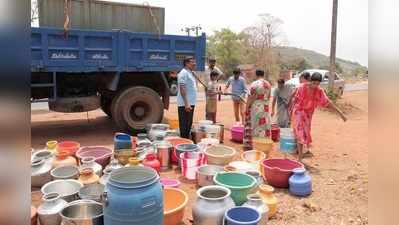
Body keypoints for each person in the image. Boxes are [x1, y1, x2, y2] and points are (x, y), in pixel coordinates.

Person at [290, 72, 347, 162]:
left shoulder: (319, 91)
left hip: (308, 115)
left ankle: (301, 154)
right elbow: (294, 99)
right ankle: (300, 158)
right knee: (300, 135)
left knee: (305, 135)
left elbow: (328, 103)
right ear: (310, 81)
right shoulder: (301, 87)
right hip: (298, 112)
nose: (315, 86)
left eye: (317, 84)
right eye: (314, 83)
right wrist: (290, 112)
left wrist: (341, 114)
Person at [243, 69, 272, 151]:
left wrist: (247, 107)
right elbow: (269, 96)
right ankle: (263, 143)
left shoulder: (254, 84)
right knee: (264, 124)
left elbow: (250, 97)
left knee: (256, 124)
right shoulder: (268, 84)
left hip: (257, 106)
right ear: (263, 74)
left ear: (256, 75)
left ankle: (255, 144)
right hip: (265, 106)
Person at [177, 56, 198, 139]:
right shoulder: (183, 73)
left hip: (190, 103)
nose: (194, 63)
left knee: (188, 125)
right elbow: (182, 89)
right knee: (184, 127)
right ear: (186, 63)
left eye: (194, 62)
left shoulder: (190, 72)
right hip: (185, 104)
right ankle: (183, 144)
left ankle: (185, 143)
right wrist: (186, 104)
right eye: (192, 62)